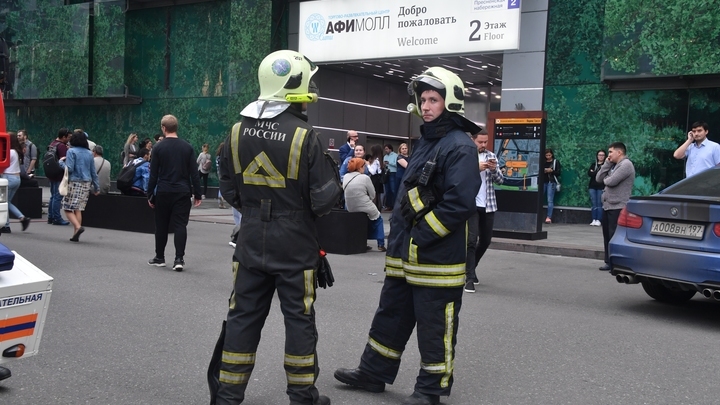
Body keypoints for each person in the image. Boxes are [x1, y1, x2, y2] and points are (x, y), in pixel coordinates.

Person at [334, 66, 481, 405]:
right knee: (391, 314)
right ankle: (372, 373)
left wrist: (422, 235)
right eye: (423, 99)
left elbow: (459, 204)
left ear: (451, 103)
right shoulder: (429, 141)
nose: (426, 106)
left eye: (434, 99)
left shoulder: (459, 146)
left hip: (435, 259)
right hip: (405, 256)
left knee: (435, 327)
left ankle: (430, 390)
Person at [210, 49, 341, 405]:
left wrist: (255, 212)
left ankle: (227, 396)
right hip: (295, 243)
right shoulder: (305, 135)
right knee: (299, 320)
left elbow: (228, 190)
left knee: (242, 317)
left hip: (250, 240)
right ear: (295, 84)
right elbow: (324, 200)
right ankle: (302, 396)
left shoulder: (236, 132)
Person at [147, 115, 203, 271]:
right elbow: (194, 173)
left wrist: (150, 194)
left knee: (161, 225)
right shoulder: (187, 147)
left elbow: (153, 174)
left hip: (164, 190)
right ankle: (179, 259)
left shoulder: (158, 148)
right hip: (182, 191)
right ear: (176, 127)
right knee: (180, 225)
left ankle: (160, 257)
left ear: (163, 128)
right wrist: (197, 193)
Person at [464, 130, 503, 293]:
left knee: (486, 240)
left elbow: (501, 180)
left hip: (488, 204)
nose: (483, 145)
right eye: (480, 142)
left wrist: (493, 170)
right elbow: (459, 178)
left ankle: (473, 266)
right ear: (473, 140)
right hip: (471, 204)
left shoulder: (491, 156)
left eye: (486, 142)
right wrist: (476, 168)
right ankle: (469, 277)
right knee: (471, 240)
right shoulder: (466, 156)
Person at [596, 142, 635, 271]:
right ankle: (608, 261)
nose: (608, 155)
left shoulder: (626, 165)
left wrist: (607, 178)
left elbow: (611, 181)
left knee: (615, 235)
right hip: (608, 205)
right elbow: (598, 178)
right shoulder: (613, 165)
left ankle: (617, 263)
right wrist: (606, 164)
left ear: (619, 152)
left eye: (611, 152)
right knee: (607, 234)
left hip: (618, 206)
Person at [59, 130, 100, 242]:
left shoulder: (71, 151)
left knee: (67, 207)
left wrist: (61, 163)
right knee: (78, 209)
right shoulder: (89, 153)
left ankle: (77, 227)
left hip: (74, 182)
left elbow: (70, 168)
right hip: (86, 183)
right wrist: (97, 187)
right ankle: (75, 234)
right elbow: (93, 172)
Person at [343, 157, 385, 251]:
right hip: (365, 206)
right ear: (360, 168)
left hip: (351, 207)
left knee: (362, 223)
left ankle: (362, 242)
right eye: (364, 166)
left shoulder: (345, 177)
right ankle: (380, 244)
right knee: (378, 219)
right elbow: (373, 194)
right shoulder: (365, 178)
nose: (365, 168)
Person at [0, 134, 31, 233]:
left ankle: (6, 225)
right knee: (7, 202)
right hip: (16, 178)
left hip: (8, 177)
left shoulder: (9, 152)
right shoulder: (16, 152)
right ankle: (21, 218)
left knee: (4, 202)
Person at [47, 128, 71, 226]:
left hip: (51, 173)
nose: (69, 139)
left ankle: (51, 216)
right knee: (57, 196)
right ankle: (57, 218)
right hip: (59, 174)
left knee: (53, 196)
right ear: (63, 137)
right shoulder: (62, 146)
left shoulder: (52, 144)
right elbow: (64, 160)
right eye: (68, 137)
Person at [587, 149, 606, 226]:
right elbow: (589, 173)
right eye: (599, 155)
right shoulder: (593, 164)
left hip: (601, 186)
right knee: (594, 203)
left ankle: (599, 219)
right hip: (592, 186)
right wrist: (596, 173)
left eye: (602, 155)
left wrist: (594, 172)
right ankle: (593, 219)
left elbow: (603, 174)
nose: (601, 157)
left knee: (599, 204)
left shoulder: (605, 165)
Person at [543, 148, 560, 224]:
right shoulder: (543, 161)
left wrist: (552, 171)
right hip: (543, 181)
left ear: (552, 155)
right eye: (546, 155)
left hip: (551, 182)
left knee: (550, 200)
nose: (548, 157)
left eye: (549, 155)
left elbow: (559, 172)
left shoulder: (555, 162)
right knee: (539, 199)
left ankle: (549, 217)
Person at [367, 144, 384, 210]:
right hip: (379, 179)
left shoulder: (375, 160)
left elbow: (372, 172)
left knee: (374, 194)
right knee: (378, 195)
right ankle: (378, 208)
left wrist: (368, 165)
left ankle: (374, 208)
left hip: (374, 179)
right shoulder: (380, 159)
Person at [382, 144, 398, 211]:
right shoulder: (385, 156)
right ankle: (388, 205)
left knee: (393, 190)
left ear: (390, 149)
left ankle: (394, 205)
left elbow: (396, 164)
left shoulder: (395, 155)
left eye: (387, 149)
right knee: (387, 190)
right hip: (386, 173)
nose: (386, 150)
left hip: (393, 173)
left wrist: (389, 163)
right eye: (385, 149)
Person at [215, 142, 226, 209]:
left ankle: (220, 200)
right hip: (223, 172)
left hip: (219, 172)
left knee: (221, 186)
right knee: (224, 186)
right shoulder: (223, 156)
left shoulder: (218, 157)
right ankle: (221, 198)